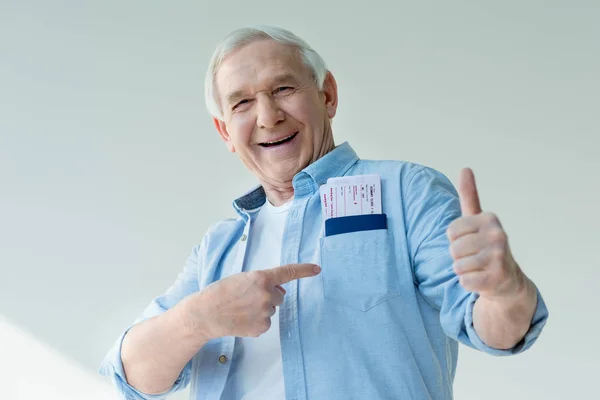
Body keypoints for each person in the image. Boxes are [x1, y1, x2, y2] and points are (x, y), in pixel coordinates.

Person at [99, 26, 548, 400]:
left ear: (327, 95)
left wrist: (505, 292)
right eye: (241, 103)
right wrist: (197, 318)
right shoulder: (218, 247)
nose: (268, 116)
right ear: (224, 132)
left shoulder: (406, 192)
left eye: (283, 89)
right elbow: (130, 374)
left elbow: (495, 328)